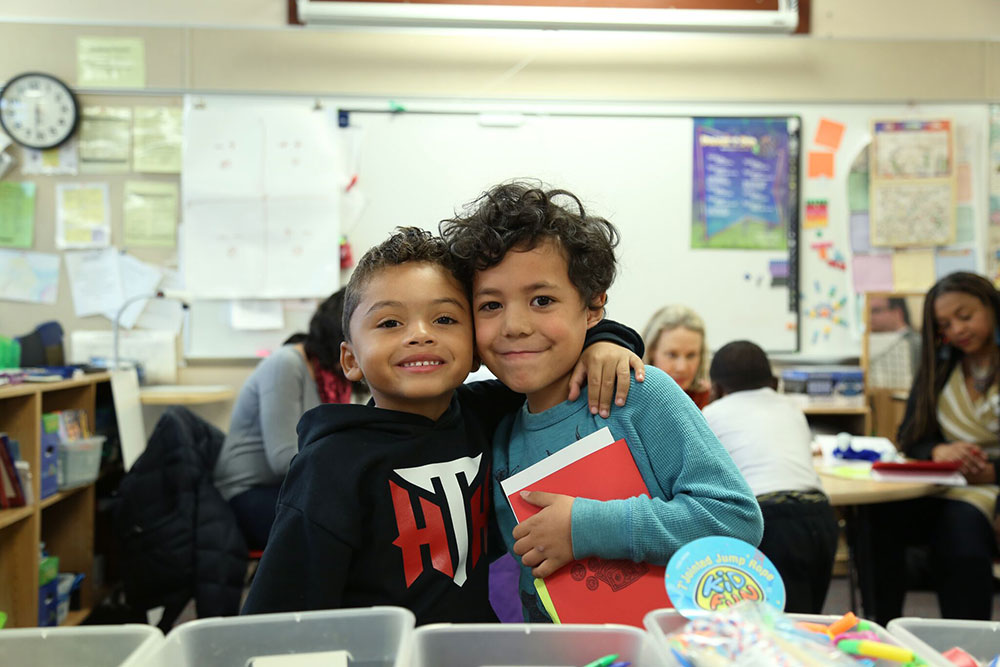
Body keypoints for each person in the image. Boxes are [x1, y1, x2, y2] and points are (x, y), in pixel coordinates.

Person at [241, 227, 644, 624]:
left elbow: (554, 357)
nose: (420, 335)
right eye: (389, 323)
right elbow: (275, 620)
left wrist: (604, 341)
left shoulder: (489, 412)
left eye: (445, 318)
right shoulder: (328, 466)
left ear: (475, 350)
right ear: (350, 360)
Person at [440, 182, 764, 622]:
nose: (514, 325)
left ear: (593, 309)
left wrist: (584, 527)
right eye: (491, 305)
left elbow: (735, 518)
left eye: (542, 300)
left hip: (665, 648)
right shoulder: (498, 434)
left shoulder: (638, 394)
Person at [868, 271, 999, 625]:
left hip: (988, 488)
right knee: (875, 517)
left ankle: (966, 644)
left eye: (965, 316)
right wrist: (937, 451)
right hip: (943, 483)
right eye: (945, 323)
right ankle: (881, 629)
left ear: (992, 307)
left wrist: (993, 470)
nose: (956, 329)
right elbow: (911, 437)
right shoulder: (941, 367)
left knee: (960, 530)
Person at [702, 340, 839, 614]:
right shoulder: (792, 409)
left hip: (769, 519)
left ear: (715, 389)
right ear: (774, 383)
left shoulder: (711, 414)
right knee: (809, 616)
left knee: (775, 618)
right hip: (821, 516)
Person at [213, 289, 354, 550]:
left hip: (291, 488)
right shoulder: (287, 364)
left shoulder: (334, 379)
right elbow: (282, 460)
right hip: (248, 492)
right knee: (338, 531)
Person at [642, 305, 712, 408]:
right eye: (672, 355)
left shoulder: (709, 401)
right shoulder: (628, 399)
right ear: (651, 351)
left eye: (691, 355)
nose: (681, 368)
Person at [867, 295, 922, 390]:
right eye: (867, 312)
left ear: (897, 312)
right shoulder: (861, 343)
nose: (869, 317)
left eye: (876, 311)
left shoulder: (918, 342)